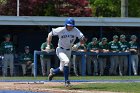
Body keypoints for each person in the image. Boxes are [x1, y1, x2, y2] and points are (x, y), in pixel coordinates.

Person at [47, 17, 86, 87]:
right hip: (60, 49)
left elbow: (83, 39)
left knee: (62, 68)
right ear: (66, 25)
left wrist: (78, 45)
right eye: (69, 25)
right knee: (66, 62)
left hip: (69, 50)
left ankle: (53, 72)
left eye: (72, 25)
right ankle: (67, 81)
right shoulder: (61, 29)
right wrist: (48, 45)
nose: (70, 27)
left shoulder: (75, 30)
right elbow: (50, 34)